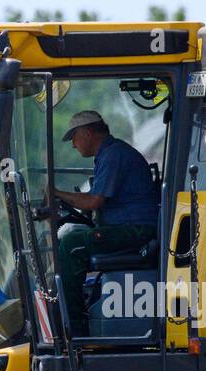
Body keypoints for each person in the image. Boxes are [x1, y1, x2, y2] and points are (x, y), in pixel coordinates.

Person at [51, 110, 160, 331]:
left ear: (88, 133)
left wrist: (56, 193)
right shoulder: (108, 155)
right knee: (73, 236)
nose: (73, 144)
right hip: (129, 227)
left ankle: (74, 327)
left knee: (73, 246)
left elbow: (93, 201)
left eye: (74, 137)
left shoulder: (114, 155)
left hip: (136, 230)